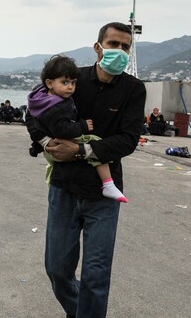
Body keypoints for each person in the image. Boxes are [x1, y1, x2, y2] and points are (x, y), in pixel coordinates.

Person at [26, 22, 145, 318]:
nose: (120, 51)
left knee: (96, 276)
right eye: (114, 44)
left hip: (103, 194)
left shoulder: (133, 89)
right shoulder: (71, 79)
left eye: (125, 47)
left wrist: (80, 149)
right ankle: (80, 311)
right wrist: (44, 141)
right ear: (98, 47)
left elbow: (129, 140)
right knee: (57, 269)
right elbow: (32, 111)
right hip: (64, 187)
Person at [27, 55, 128, 203]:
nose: (70, 87)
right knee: (95, 142)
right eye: (65, 82)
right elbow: (61, 129)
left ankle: (51, 180)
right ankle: (108, 183)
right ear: (49, 83)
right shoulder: (55, 106)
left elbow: (32, 117)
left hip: (49, 147)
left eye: (73, 83)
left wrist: (43, 141)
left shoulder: (41, 98)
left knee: (54, 166)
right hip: (58, 143)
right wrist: (82, 126)